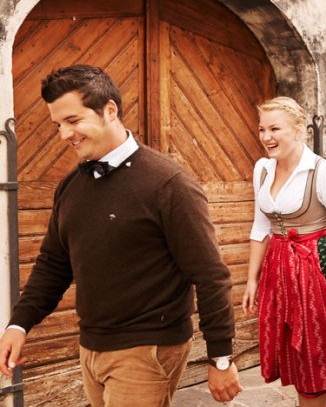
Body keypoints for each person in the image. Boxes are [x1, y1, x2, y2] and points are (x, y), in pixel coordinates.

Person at [0, 65, 242, 405]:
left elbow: (211, 275)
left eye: (73, 120)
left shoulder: (169, 184)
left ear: (109, 110)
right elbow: (53, 264)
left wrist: (220, 356)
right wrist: (19, 325)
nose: (64, 134)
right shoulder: (72, 184)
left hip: (148, 348)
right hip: (92, 347)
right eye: (58, 125)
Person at [241, 96, 326, 407]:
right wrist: (252, 281)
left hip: (317, 269)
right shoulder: (263, 170)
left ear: (299, 129)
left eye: (275, 129)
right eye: (261, 129)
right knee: (294, 354)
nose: (267, 137)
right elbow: (261, 229)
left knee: (316, 356)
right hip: (279, 268)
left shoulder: (325, 171)